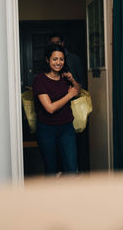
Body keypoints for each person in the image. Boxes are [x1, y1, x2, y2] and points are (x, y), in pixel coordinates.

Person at [32, 44, 81, 175]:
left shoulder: (65, 77)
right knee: (51, 169)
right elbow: (50, 108)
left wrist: (72, 80)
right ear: (47, 60)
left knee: (71, 168)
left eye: (61, 59)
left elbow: (78, 91)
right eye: (55, 59)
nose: (58, 62)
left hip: (66, 128)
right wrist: (69, 95)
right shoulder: (39, 80)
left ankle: (71, 195)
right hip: (46, 129)